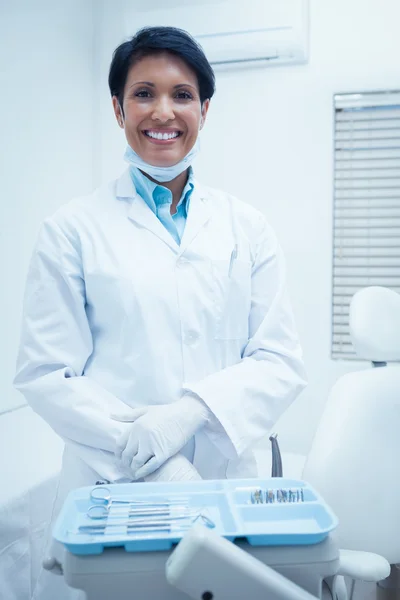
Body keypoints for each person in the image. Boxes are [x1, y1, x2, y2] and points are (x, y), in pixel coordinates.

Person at [14, 26, 307, 599]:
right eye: (144, 93)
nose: (163, 112)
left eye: (182, 94)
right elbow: (47, 375)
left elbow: (279, 359)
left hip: (225, 481)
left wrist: (191, 413)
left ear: (204, 109)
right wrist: (157, 465)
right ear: (119, 108)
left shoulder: (246, 227)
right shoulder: (72, 229)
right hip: (117, 490)